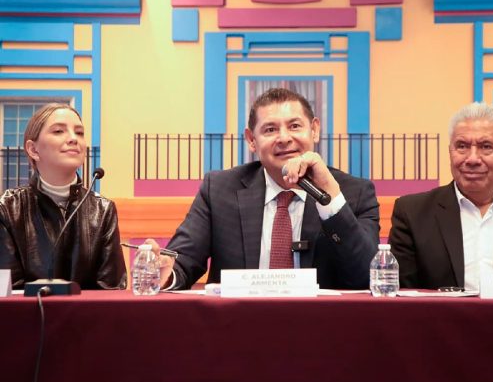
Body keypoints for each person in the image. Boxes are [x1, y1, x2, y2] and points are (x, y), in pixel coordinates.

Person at [148, 87, 380, 290]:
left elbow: (367, 277)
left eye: (295, 126)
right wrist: (165, 273)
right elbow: (182, 261)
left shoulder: (355, 193)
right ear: (251, 140)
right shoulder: (219, 190)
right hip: (237, 322)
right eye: (270, 129)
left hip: (320, 323)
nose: (284, 138)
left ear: (314, 129)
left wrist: (330, 200)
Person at [389, 102, 493, 290]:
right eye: (462, 146)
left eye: (486, 146)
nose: (472, 159)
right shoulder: (413, 214)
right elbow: (401, 295)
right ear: (450, 152)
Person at [0, 103, 127, 289]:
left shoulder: (103, 210)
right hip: (31, 309)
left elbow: (111, 290)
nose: (74, 139)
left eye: (79, 132)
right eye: (59, 131)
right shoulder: (7, 209)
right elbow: (8, 291)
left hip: (89, 310)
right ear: (33, 150)